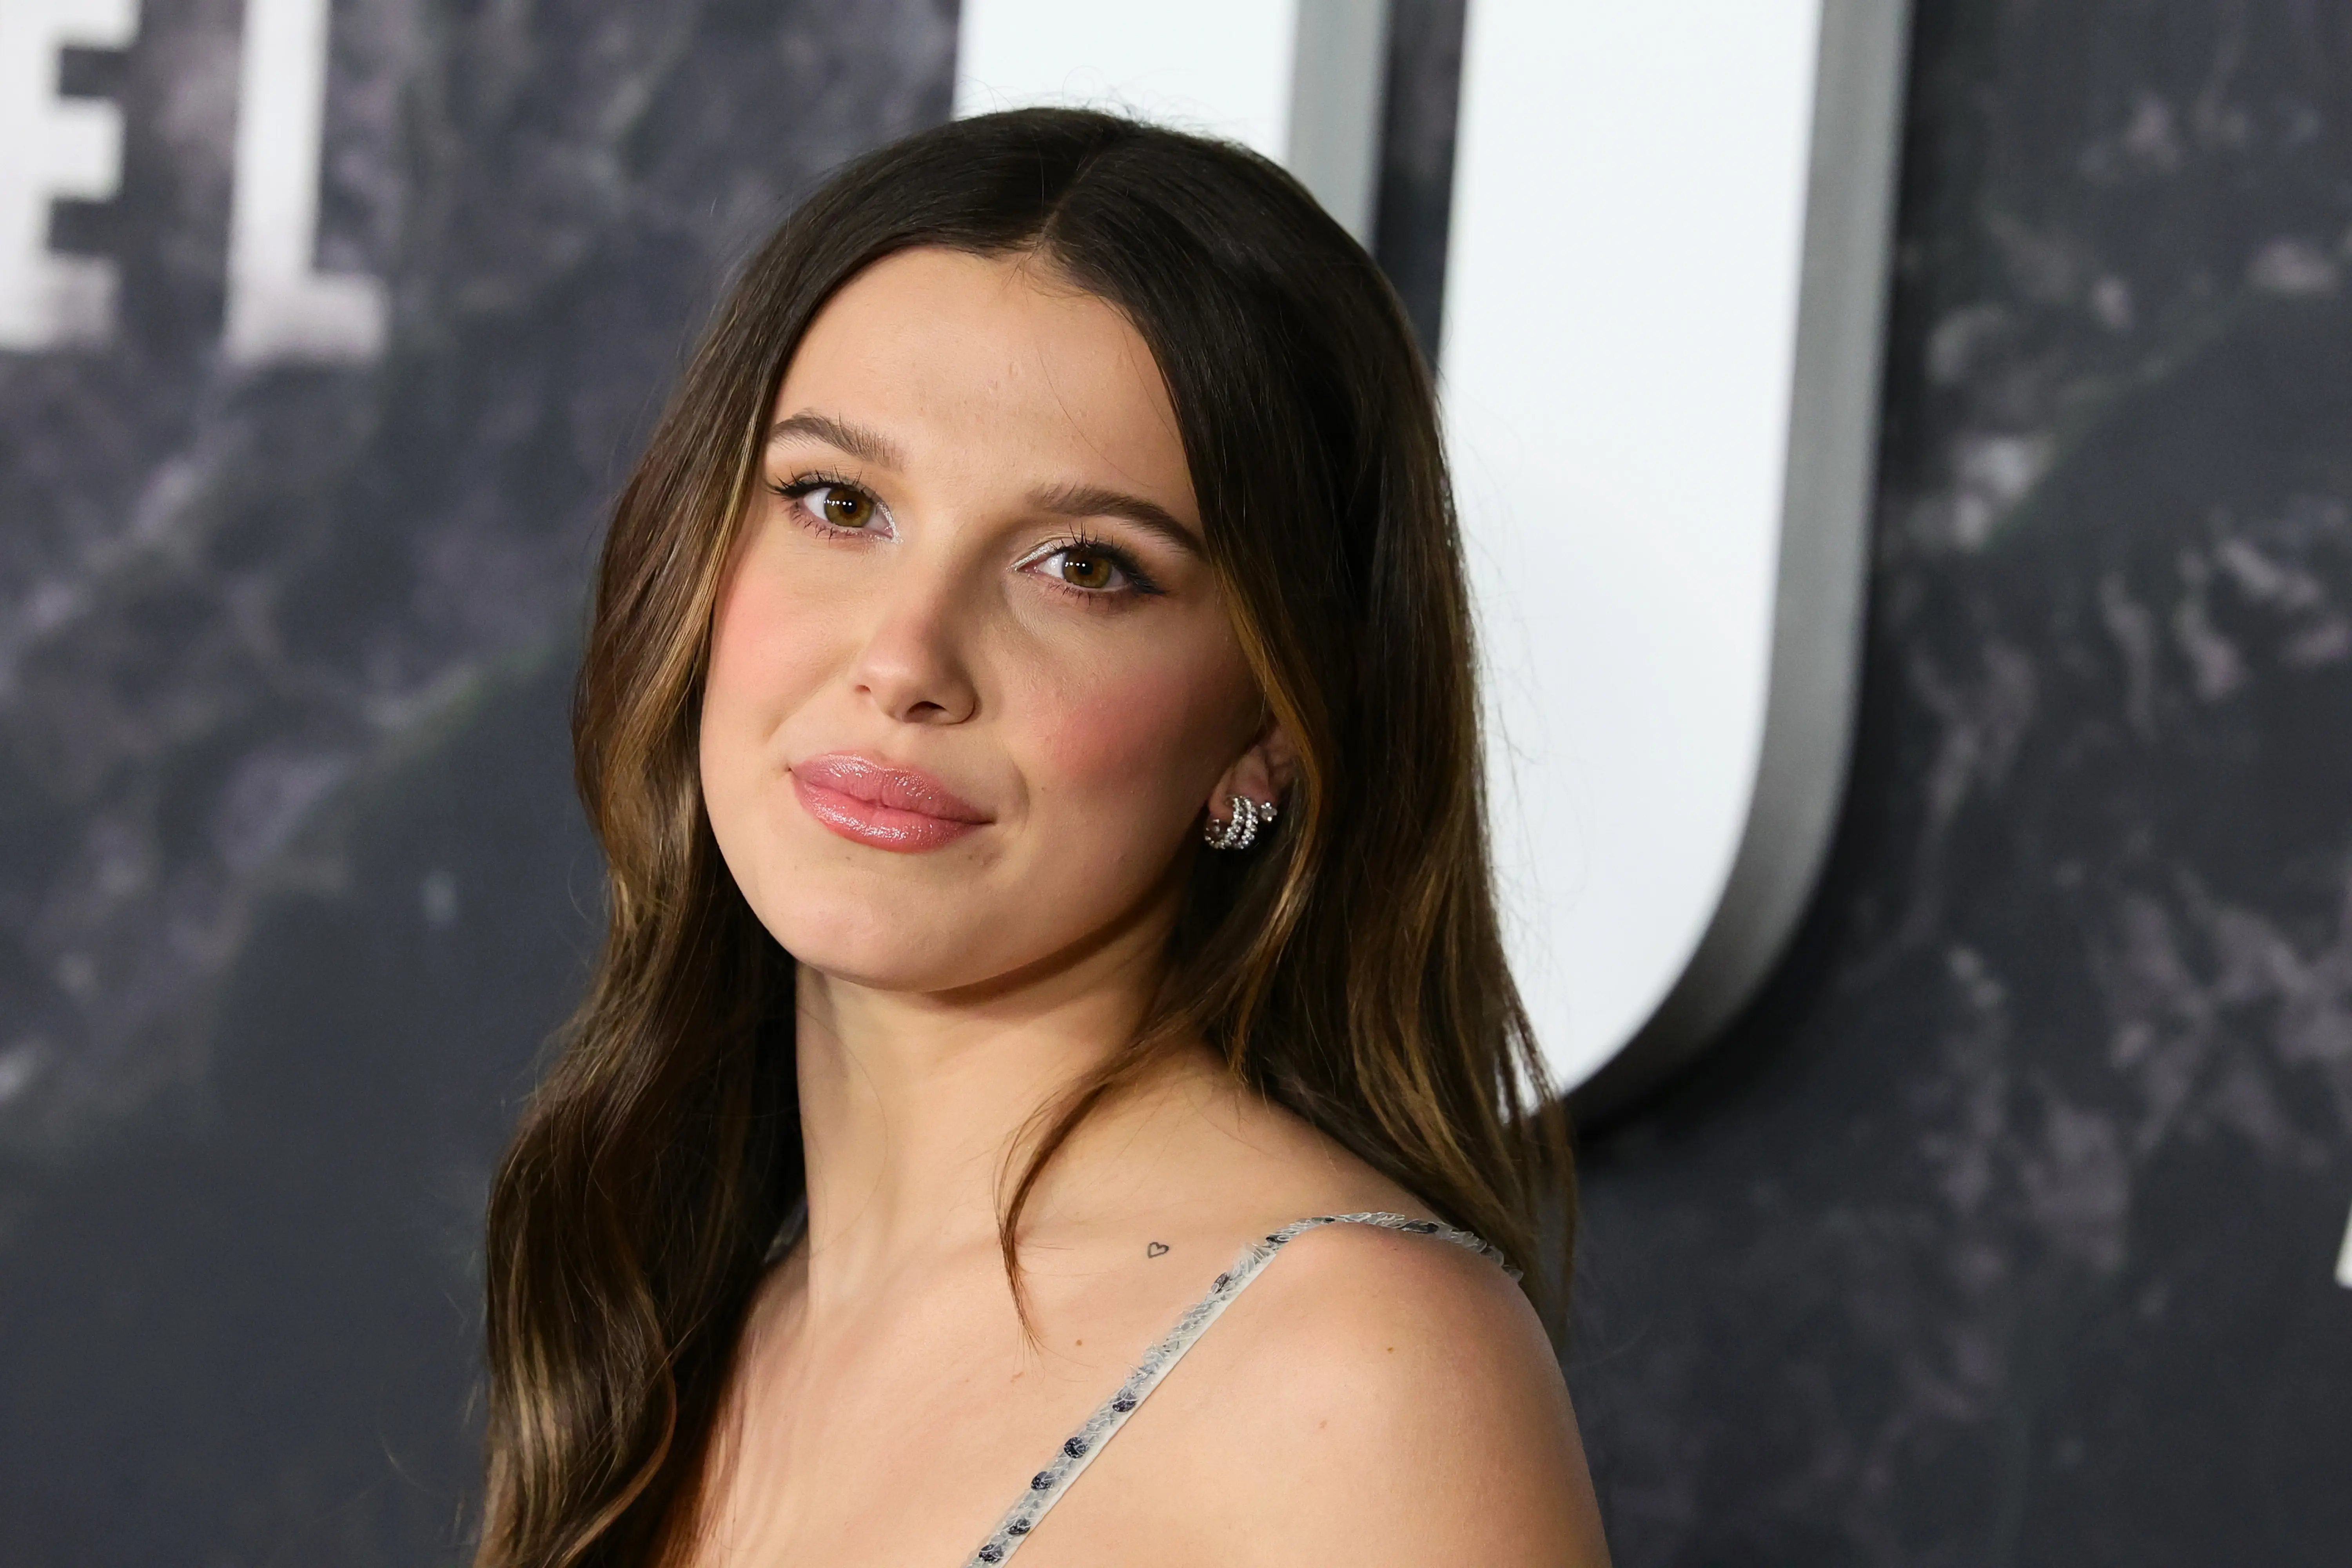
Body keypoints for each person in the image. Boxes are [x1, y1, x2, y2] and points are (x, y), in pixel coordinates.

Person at [475, 108, 1610, 1568]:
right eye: (838, 502)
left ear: (1269, 719)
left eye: (1085, 566)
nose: (907, 659)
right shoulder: (674, 1326)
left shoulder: (1357, 1374)